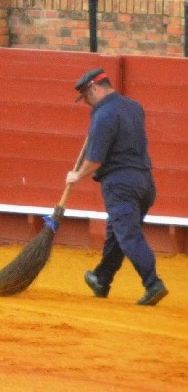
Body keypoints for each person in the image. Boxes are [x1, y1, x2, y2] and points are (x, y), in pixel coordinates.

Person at [68, 68, 168, 306]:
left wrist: (77, 175)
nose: (86, 104)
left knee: (128, 234)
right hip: (145, 182)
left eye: (86, 97)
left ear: (94, 88)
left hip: (120, 184)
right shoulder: (134, 106)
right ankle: (102, 278)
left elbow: (95, 160)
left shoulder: (103, 116)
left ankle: (153, 283)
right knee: (118, 233)